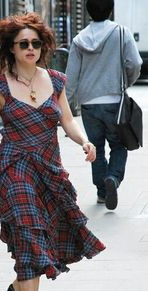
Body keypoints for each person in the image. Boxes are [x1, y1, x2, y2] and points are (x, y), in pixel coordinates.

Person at [0, 12, 105, 291]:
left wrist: (84, 139)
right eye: (23, 44)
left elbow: (67, 120)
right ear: (12, 48)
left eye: (36, 43)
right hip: (14, 168)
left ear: (43, 46)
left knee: (42, 236)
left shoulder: (56, 80)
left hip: (49, 169)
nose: (30, 48)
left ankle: (18, 288)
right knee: (28, 229)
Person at [65, 0, 142, 210]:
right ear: (111, 9)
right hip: (114, 102)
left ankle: (101, 191)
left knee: (95, 147)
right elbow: (135, 63)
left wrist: (65, 106)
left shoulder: (79, 39)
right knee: (119, 145)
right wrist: (126, 81)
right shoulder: (121, 32)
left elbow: (70, 78)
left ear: (88, 11)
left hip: (89, 103)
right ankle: (113, 179)